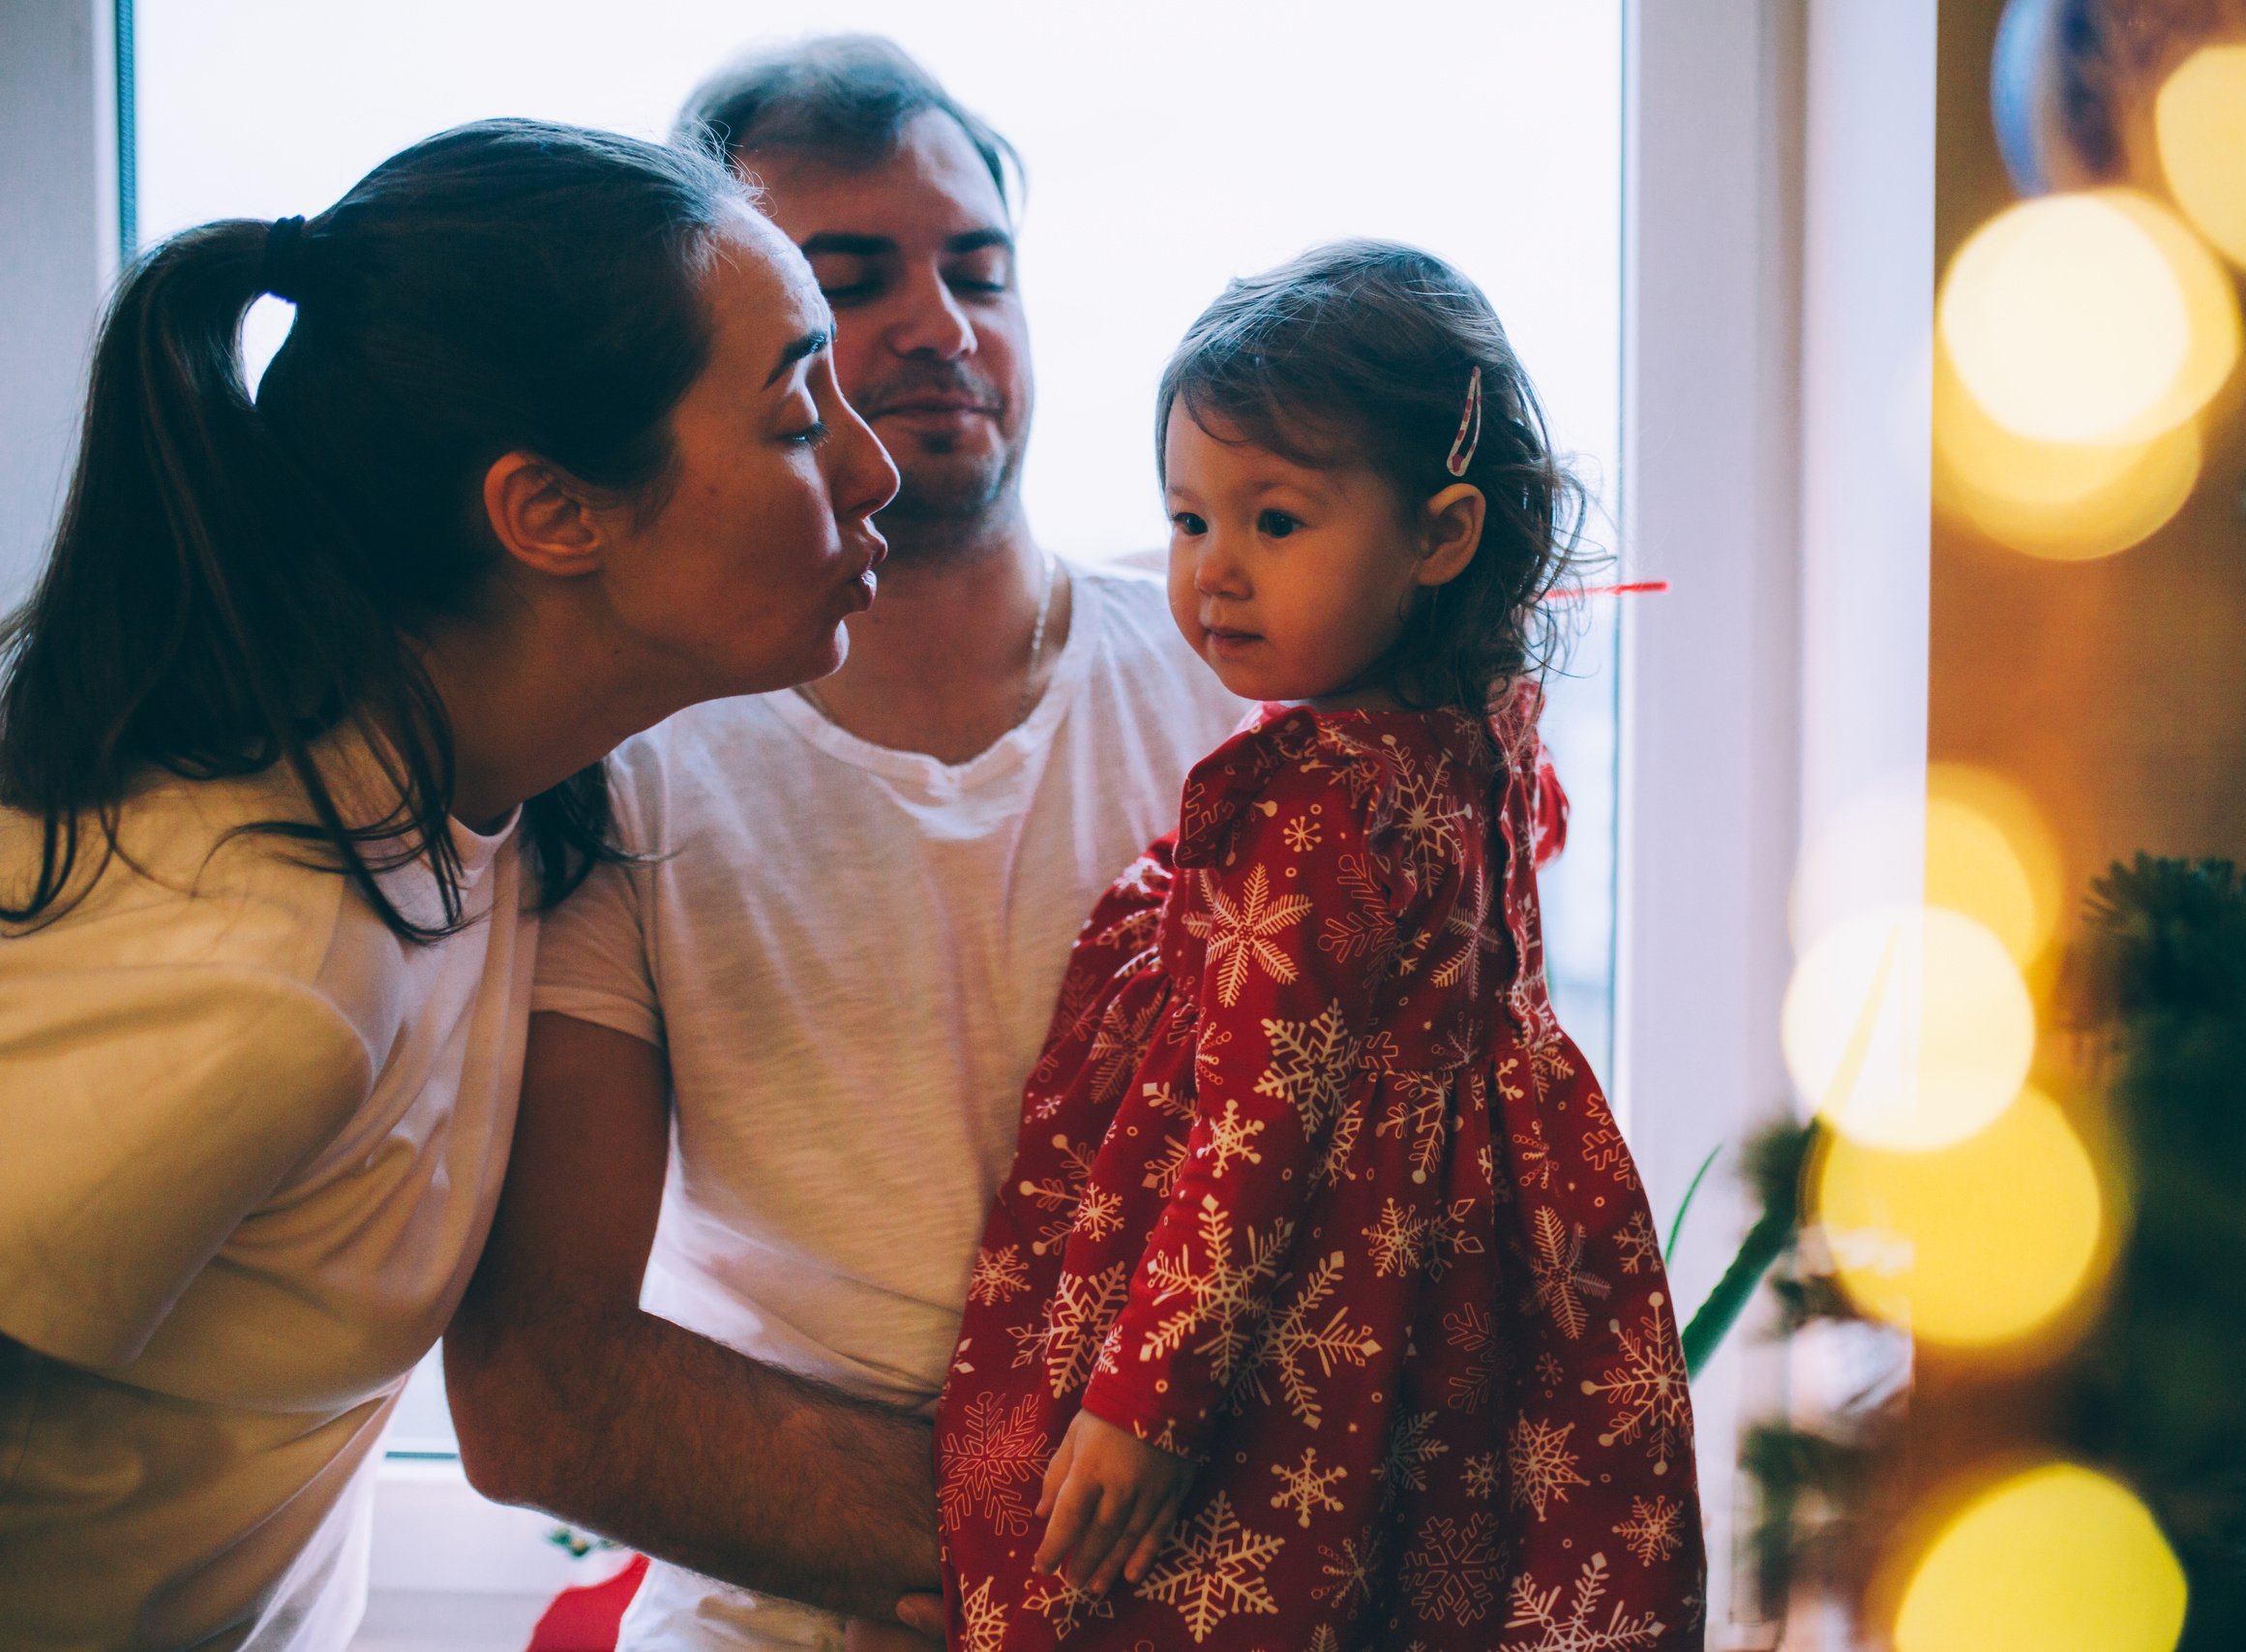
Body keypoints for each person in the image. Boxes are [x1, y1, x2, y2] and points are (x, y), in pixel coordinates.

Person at [0, 120, 903, 1650]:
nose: (873, 462)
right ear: (552, 514)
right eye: (796, 417)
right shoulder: (256, 967)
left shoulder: (501, 804)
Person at [442, 38, 1247, 1651]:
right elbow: (546, 1386)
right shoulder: (629, 757)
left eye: (981, 270)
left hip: (1255, 1579)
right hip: (793, 1615)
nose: (941, 327)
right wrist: (1063, 1561)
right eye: (852, 279)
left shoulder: (1242, 694)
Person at [933, 242, 1706, 1651]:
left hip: (1290, 1293)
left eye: (1275, 523)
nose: (1212, 574)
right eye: (1186, 520)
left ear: (1443, 535)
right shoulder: (1473, 725)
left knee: (1215, 1576)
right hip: (1448, 1271)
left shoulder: (1308, 798)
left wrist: (1141, 1397)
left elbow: (1254, 1127)